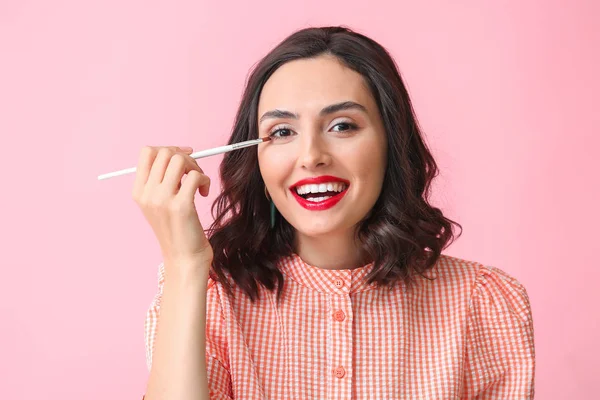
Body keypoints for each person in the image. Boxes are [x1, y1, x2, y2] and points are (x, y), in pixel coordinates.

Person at [134, 26, 535, 399]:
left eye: (342, 126)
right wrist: (186, 264)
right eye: (283, 132)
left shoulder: (482, 303)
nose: (311, 157)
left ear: (391, 143)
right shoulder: (208, 298)